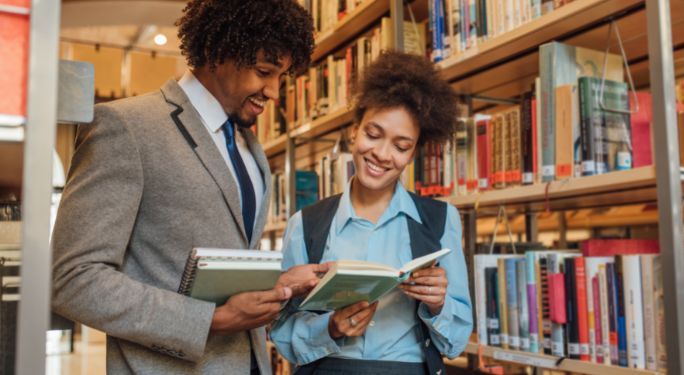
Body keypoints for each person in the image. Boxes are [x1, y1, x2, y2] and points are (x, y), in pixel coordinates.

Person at [51, 1, 327, 373]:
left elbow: (219, 264)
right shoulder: (126, 128)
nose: (275, 92)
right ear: (217, 52)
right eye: (264, 71)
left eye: (282, 76)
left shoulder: (251, 148)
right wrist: (208, 320)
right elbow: (72, 280)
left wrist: (280, 284)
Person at [270, 51, 473, 375]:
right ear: (355, 129)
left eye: (401, 146)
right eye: (373, 134)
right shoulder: (305, 224)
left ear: (414, 153)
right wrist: (331, 328)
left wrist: (437, 305)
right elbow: (280, 333)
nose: (381, 154)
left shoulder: (440, 220)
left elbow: (457, 342)